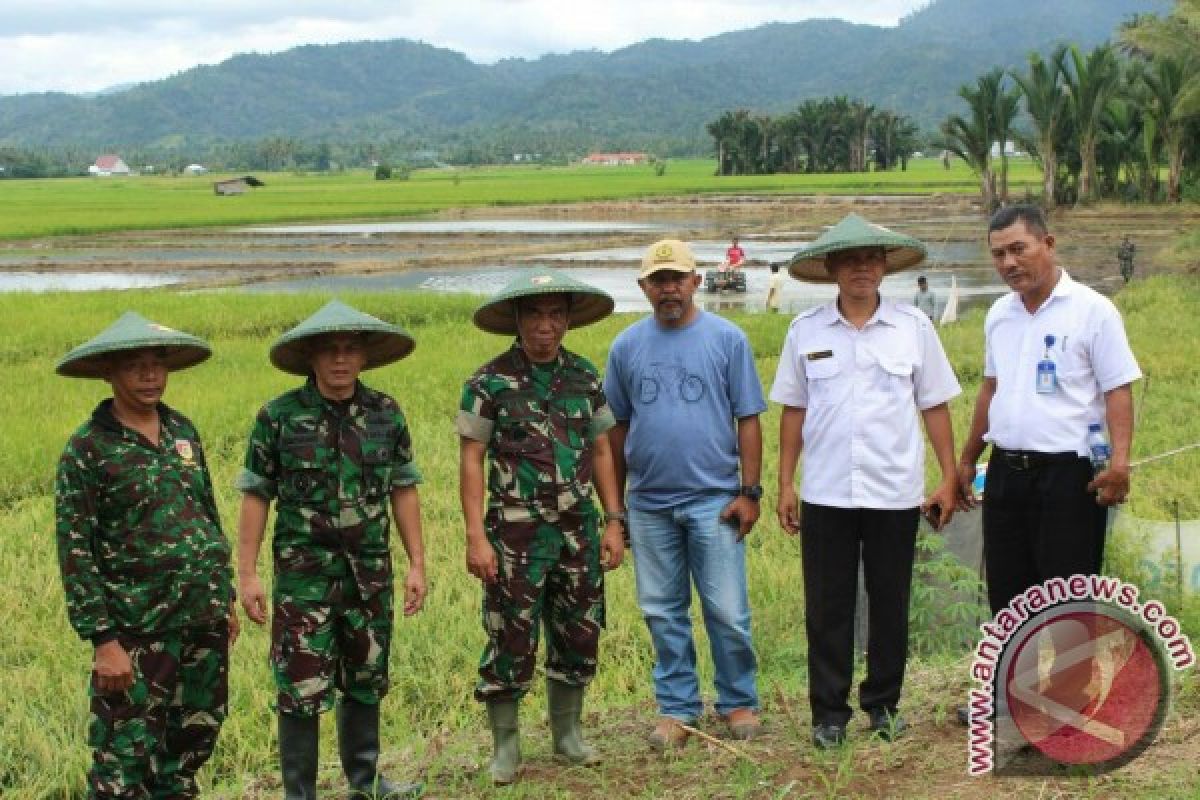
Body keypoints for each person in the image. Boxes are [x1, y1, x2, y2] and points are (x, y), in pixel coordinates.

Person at [770, 213, 960, 750]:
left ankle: (884, 706)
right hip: (826, 492)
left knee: (890, 602)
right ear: (831, 268)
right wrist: (786, 484)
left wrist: (948, 478)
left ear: (884, 266)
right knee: (827, 607)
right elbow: (793, 412)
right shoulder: (804, 331)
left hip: (895, 491)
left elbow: (935, 406)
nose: (861, 268)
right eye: (849, 259)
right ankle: (829, 714)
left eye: (871, 258)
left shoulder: (913, 329)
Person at [236, 300, 427, 799]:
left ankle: (365, 784)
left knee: (365, 677)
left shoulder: (386, 414)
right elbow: (257, 494)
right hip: (304, 579)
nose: (340, 360)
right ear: (311, 358)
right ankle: (300, 793)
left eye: (349, 349)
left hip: (369, 575)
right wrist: (247, 574)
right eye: (329, 351)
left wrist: (416, 564)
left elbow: (403, 489)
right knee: (299, 688)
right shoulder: (279, 417)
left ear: (363, 356)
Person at [54, 312, 237, 798]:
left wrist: (226, 599)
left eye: (157, 364)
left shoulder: (182, 430)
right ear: (110, 373)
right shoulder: (89, 448)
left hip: (202, 620)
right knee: (124, 759)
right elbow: (76, 551)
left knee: (191, 745)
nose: (150, 375)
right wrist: (103, 640)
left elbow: (206, 514)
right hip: (137, 633)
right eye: (136, 366)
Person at [457, 269, 626, 785]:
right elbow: (471, 461)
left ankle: (567, 735)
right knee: (510, 636)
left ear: (568, 320)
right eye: (534, 314)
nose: (545, 326)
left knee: (579, 630)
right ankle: (506, 747)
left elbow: (601, 450)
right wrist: (475, 537)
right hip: (514, 536)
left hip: (578, 531)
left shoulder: (584, 376)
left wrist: (614, 521)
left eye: (555, 315)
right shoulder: (487, 383)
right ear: (517, 319)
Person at [604, 239, 767, 750]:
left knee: (726, 610)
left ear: (696, 281)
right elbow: (614, 432)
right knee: (662, 610)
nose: (668, 288)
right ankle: (676, 708)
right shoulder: (626, 346)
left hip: (714, 499)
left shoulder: (727, 339)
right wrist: (616, 509)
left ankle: (738, 699)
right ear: (644, 287)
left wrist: (751, 491)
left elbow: (748, 418)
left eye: (677, 278)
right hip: (649, 504)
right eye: (659, 279)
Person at [956, 205, 1141, 618]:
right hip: (1005, 477)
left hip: (1068, 480)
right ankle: (1015, 685)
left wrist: (1121, 464)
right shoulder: (999, 314)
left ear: (1048, 244)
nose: (1009, 263)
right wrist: (968, 459)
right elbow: (991, 388)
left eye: (1018, 249)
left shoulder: (1093, 310)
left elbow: (1118, 389)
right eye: (999, 254)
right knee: (1009, 606)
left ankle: (1071, 685)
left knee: (1067, 610)